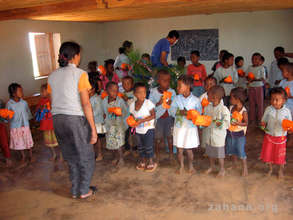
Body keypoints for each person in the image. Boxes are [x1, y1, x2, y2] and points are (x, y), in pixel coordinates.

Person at [48, 41, 97, 199]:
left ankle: (76, 189)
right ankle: (84, 190)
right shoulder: (80, 74)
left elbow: (52, 101)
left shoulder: (52, 76)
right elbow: (85, 104)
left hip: (57, 120)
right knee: (86, 156)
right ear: (75, 56)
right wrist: (93, 129)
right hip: (74, 119)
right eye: (79, 55)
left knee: (71, 156)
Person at [169, 75, 202, 174]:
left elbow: (199, 114)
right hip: (179, 128)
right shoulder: (176, 99)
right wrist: (180, 112)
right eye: (177, 86)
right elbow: (171, 111)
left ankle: (191, 166)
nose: (177, 88)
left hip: (190, 129)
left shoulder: (196, 100)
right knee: (180, 150)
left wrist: (192, 115)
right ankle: (181, 166)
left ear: (188, 86)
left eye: (179, 86)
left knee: (189, 150)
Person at [260, 87, 292, 179]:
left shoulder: (287, 111)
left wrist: (289, 130)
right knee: (268, 154)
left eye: (277, 100)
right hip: (269, 136)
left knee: (280, 156)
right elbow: (263, 121)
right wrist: (263, 125)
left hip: (280, 138)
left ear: (283, 100)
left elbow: (290, 124)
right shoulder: (268, 109)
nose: (274, 102)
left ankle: (280, 170)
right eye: (272, 99)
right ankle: (270, 169)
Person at [149, 69, 176, 163]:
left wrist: (172, 102)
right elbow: (150, 105)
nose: (167, 83)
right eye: (164, 80)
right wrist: (158, 103)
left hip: (169, 118)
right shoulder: (153, 92)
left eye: (168, 80)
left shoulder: (172, 91)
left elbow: (175, 104)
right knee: (157, 138)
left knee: (170, 137)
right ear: (158, 81)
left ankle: (171, 154)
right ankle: (157, 153)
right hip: (159, 119)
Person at [203, 85, 230, 177]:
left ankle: (222, 169)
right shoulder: (207, 108)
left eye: (208, 95)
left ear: (215, 97)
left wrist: (219, 123)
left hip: (218, 136)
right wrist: (202, 122)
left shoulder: (223, 109)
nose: (207, 96)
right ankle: (212, 166)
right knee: (210, 152)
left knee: (219, 154)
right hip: (209, 134)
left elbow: (227, 122)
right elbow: (205, 119)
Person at [130, 82, 157, 172]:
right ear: (134, 94)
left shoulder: (148, 103)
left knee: (148, 146)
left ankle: (151, 162)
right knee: (140, 146)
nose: (142, 94)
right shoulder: (132, 105)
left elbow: (153, 116)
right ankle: (143, 160)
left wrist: (142, 120)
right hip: (138, 130)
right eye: (139, 92)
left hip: (148, 129)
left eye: (144, 92)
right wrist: (132, 121)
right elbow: (132, 116)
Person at [6, 83, 34, 164]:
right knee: (19, 142)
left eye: (22, 90)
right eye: (20, 91)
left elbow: (28, 112)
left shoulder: (24, 103)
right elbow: (8, 116)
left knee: (27, 140)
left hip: (25, 125)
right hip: (15, 127)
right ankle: (23, 156)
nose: (22, 92)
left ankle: (31, 155)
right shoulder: (9, 104)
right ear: (14, 93)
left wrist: (30, 121)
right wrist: (8, 119)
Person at [102, 82, 128, 167]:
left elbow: (126, 112)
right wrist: (104, 117)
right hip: (109, 126)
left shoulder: (120, 101)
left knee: (119, 143)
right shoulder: (104, 101)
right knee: (112, 143)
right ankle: (116, 157)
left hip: (119, 126)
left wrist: (122, 116)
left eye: (116, 91)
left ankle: (121, 159)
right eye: (112, 91)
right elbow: (104, 112)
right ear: (107, 91)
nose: (115, 93)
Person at [226, 87, 248, 176]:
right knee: (231, 150)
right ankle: (234, 164)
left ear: (238, 99)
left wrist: (238, 123)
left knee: (240, 150)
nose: (230, 99)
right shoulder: (231, 107)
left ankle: (244, 168)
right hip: (230, 133)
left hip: (239, 135)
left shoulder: (244, 111)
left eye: (231, 98)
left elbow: (246, 123)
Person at [36, 84, 60, 161]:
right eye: (41, 92)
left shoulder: (52, 100)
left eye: (43, 91)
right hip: (46, 126)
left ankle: (61, 155)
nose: (42, 93)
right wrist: (41, 108)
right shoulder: (40, 101)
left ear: (49, 91)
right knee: (49, 143)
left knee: (58, 141)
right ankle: (54, 154)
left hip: (53, 125)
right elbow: (38, 111)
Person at [246, 53, 266, 125]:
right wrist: (248, 78)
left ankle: (261, 119)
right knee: (251, 103)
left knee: (260, 104)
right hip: (251, 87)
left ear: (260, 60)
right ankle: (252, 119)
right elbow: (247, 76)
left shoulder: (262, 68)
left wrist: (255, 79)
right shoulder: (249, 67)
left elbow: (263, 78)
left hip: (259, 88)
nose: (254, 60)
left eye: (256, 59)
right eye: (253, 59)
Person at [89, 75, 105, 162]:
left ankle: (100, 154)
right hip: (91, 122)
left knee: (97, 139)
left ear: (93, 89)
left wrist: (88, 115)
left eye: (89, 89)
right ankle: (93, 153)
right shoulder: (88, 98)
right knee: (92, 139)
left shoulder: (97, 99)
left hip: (97, 122)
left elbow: (98, 111)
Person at [121, 76, 137, 156]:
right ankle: (127, 148)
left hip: (133, 119)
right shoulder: (121, 94)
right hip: (124, 119)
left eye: (128, 84)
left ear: (132, 84)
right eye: (124, 84)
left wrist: (127, 99)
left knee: (134, 134)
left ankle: (134, 149)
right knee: (125, 134)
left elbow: (134, 105)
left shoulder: (135, 94)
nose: (126, 85)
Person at [0, 99, 11, 167]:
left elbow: (7, 118)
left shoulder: (1, 103)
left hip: (1, 127)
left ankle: (7, 158)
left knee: (4, 143)